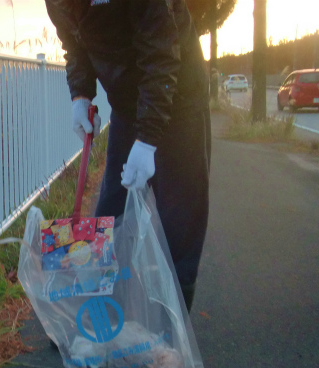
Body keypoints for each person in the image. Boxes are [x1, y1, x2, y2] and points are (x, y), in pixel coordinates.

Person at [45, 0, 211, 312]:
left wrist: (147, 140)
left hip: (179, 95)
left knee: (180, 211)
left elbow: (161, 56)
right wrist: (80, 94)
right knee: (112, 205)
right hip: (126, 102)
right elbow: (75, 44)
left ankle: (172, 322)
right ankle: (100, 310)